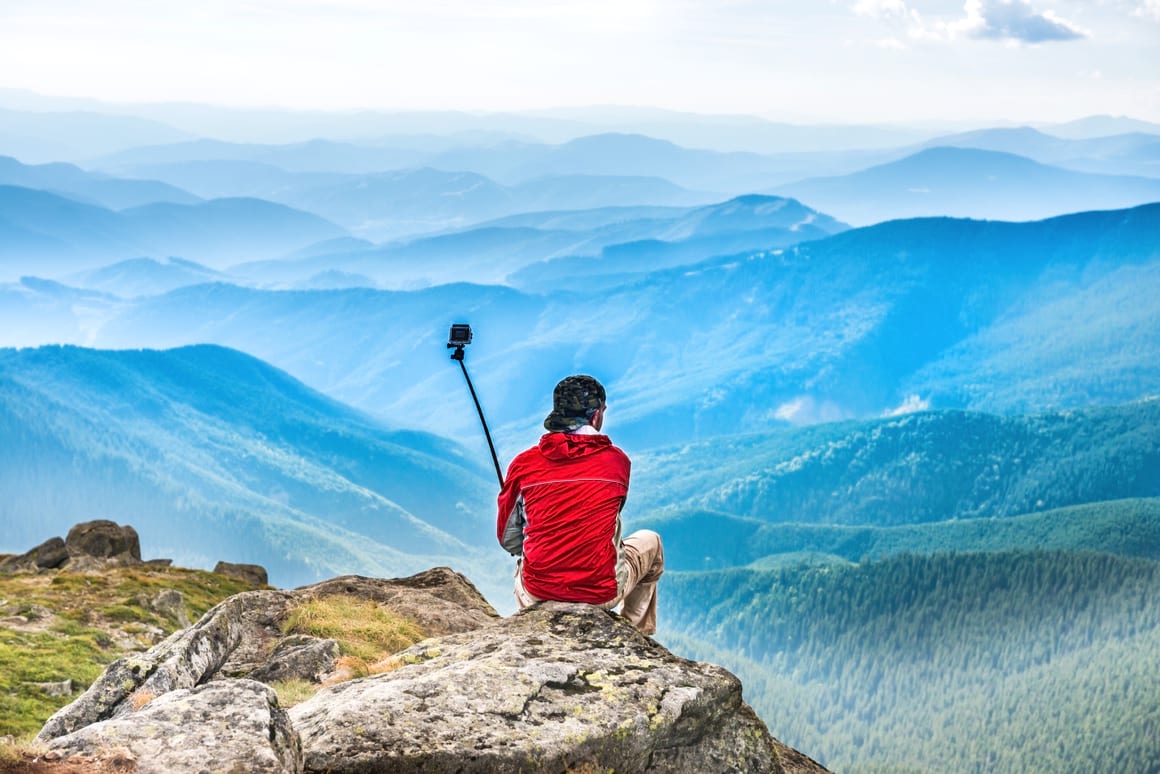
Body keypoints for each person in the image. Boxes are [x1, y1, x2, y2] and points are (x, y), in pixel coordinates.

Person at [496, 374, 664, 634]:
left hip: (537, 593)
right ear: (596, 415)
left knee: (523, 562)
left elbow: (508, 540)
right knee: (651, 542)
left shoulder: (523, 464)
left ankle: (540, 629)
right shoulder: (617, 463)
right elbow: (609, 519)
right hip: (601, 594)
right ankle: (632, 633)